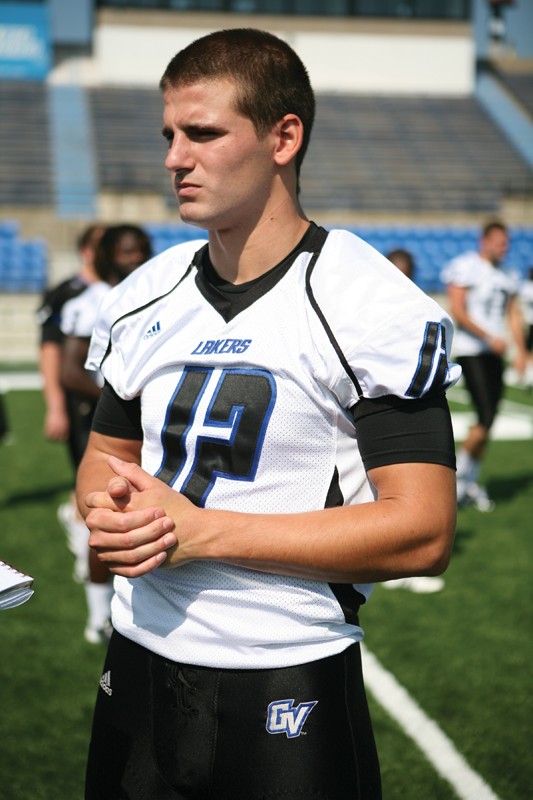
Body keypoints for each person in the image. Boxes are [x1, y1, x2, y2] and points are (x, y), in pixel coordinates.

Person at [77, 29, 460, 799]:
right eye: (168, 135)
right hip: (138, 656)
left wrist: (202, 531)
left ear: (283, 137)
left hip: (285, 673)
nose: (173, 158)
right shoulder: (145, 292)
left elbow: (423, 531)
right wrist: (112, 508)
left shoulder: (363, 301)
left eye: (203, 133)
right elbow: (104, 458)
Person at [60, 224, 152, 643]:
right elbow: (70, 370)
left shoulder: (158, 296)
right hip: (102, 421)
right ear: (105, 256)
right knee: (107, 513)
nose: (132, 258)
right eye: (123, 251)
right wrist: (118, 399)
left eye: (138, 250)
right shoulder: (90, 303)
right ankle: (98, 614)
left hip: (148, 424)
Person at [442, 220, 528, 511]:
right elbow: (458, 309)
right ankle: (454, 481)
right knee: (486, 415)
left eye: (506, 243)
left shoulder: (508, 275)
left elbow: (513, 313)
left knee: (488, 422)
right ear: (485, 241)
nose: (504, 248)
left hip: (495, 352)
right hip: (472, 350)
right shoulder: (466, 266)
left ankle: (468, 483)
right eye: (499, 242)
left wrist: (521, 351)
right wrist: (488, 337)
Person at [37, 224, 105, 580]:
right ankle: (86, 550)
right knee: (90, 478)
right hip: (82, 400)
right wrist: (55, 406)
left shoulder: (131, 288)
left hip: (116, 398)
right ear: (88, 252)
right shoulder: (67, 293)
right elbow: (49, 350)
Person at [382, 248, 445, 594]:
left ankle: (402, 558)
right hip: (380, 399)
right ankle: (396, 561)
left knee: (410, 488)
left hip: (409, 394)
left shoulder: (416, 307)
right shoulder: (365, 308)